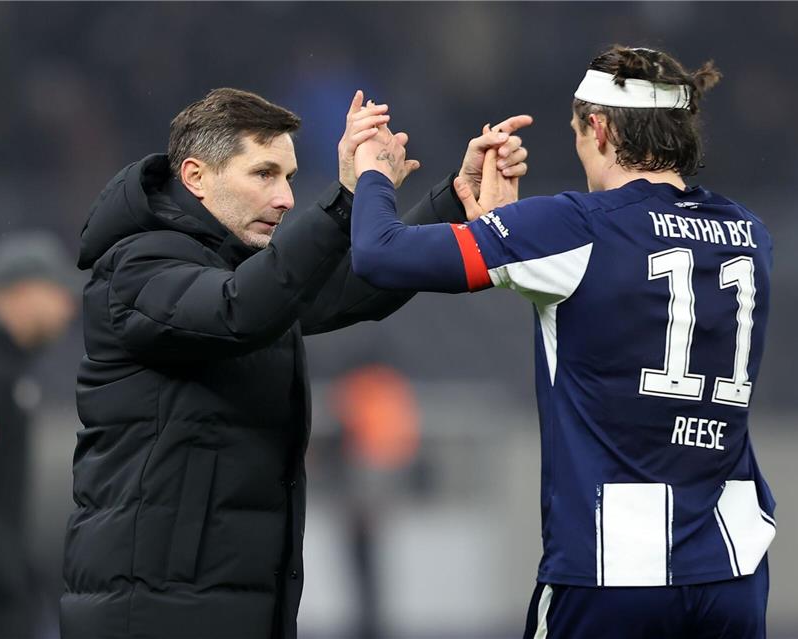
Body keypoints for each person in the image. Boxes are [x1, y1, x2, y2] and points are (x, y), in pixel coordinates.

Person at [59, 87, 531, 639]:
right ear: (195, 177)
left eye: (288, 176)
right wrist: (345, 200)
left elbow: (352, 289)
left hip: (236, 600)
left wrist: (455, 197)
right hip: (155, 608)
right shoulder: (138, 265)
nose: (285, 197)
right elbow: (238, 308)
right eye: (264, 174)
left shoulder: (244, 268)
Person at [351, 45, 776, 638]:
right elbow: (628, 308)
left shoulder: (575, 225)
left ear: (599, 128)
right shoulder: (749, 234)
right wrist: (507, 241)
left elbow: (378, 254)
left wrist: (371, 170)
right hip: (732, 570)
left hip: (611, 572)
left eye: (578, 132)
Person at [0, 230, 79, 639]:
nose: (68, 308)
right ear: (24, 291)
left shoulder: (4, 368)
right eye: (58, 292)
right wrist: (7, 580)